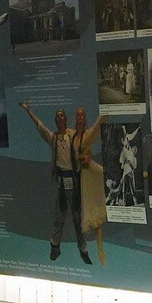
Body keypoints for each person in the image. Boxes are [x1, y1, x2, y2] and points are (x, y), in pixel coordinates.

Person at [19, 101, 95, 264]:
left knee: (77, 218)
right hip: (61, 183)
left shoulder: (72, 135)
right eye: (57, 117)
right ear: (55, 121)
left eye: (62, 116)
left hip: (74, 182)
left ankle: (83, 249)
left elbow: (84, 142)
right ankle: (55, 246)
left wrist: (87, 156)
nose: (60, 118)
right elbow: (40, 126)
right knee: (59, 217)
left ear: (65, 119)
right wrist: (28, 111)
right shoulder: (53, 138)